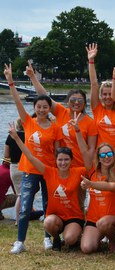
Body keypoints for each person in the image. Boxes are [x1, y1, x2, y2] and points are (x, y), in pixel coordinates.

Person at [5, 63, 61, 253]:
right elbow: (18, 103)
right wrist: (11, 82)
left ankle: (47, 238)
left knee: (48, 205)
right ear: (35, 108)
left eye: (46, 107)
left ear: (49, 109)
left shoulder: (55, 128)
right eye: (39, 107)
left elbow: (58, 151)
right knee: (25, 206)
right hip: (29, 170)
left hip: (48, 171)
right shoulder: (28, 122)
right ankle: (20, 241)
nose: (42, 109)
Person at [8, 124, 85, 252]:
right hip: (56, 217)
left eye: (66, 160)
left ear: (71, 161)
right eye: (60, 160)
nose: (63, 163)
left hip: (73, 216)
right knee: (48, 222)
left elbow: (89, 159)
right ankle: (55, 238)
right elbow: (31, 157)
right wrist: (16, 138)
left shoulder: (78, 171)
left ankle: (72, 237)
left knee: (70, 239)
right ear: (55, 160)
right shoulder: (49, 172)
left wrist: (77, 130)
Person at [74, 113, 115, 254]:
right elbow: (83, 149)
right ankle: (100, 238)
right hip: (93, 219)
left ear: (113, 157)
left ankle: (112, 240)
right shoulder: (92, 171)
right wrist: (77, 130)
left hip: (112, 220)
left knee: (104, 223)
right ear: (98, 158)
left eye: (109, 155)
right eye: (102, 155)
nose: (106, 158)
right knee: (87, 248)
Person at [28, 62, 97, 168]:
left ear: (84, 104)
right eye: (73, 100)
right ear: (67, 102)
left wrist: (89, 167)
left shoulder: (90, 122)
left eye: (80, 100)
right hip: (60, 164)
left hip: (79, 165)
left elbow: (92, 148)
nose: (76, 103)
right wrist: (33, 77)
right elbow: (44, 96)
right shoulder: (61, 111)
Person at [87, 44, 115, 153]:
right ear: (101, 96)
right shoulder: (97, 109)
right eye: (105, 94)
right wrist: (91, 60)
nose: (108, 97)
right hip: (101, 155)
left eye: (110, 94)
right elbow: (94, 84)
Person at [3, 118, 24, 225]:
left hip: (14, 167)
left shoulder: (10, 136)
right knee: (23, 195)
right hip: (25, 166)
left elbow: (6, 155)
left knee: (20, 194)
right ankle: (18, 219)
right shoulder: (28, 136)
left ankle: (19, 218)